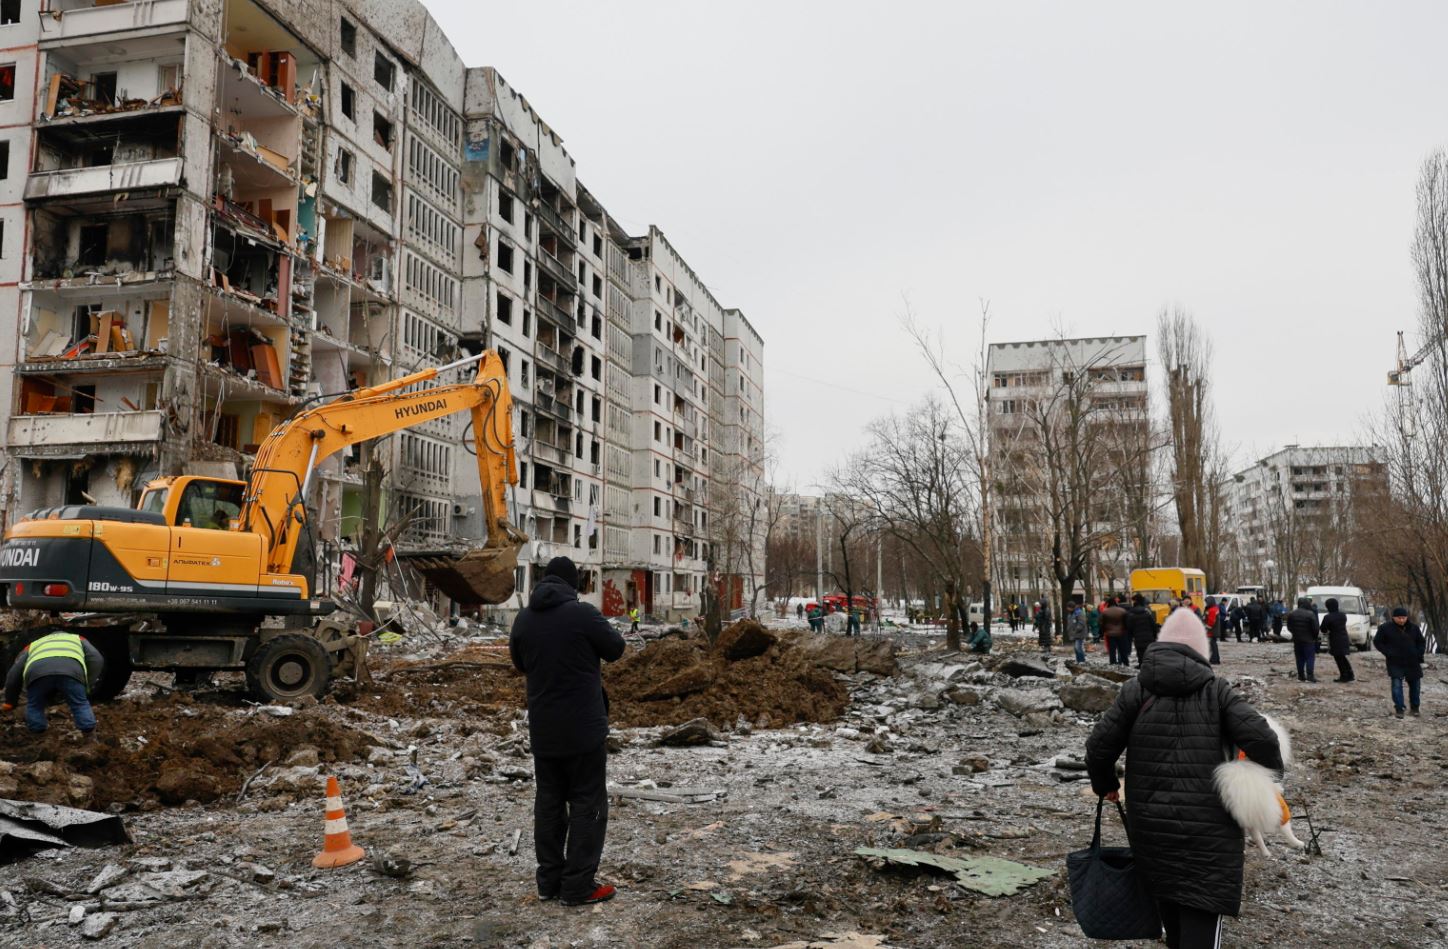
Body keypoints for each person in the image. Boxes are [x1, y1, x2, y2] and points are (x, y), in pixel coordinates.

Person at [1086, 609, 1284, 949]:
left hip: (1151, 827)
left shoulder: (1136, 690)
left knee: (1170, 912)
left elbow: (1099, 747)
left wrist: (1105, 785)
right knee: (1201, 923)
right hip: (1208, 834)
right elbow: (1263, 739)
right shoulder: (1217, 691)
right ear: (1199, 650)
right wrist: (1272, 775)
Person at [509, 556, 626, 906]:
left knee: (548, 804)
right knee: (588, 803)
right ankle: (577, 885)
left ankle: (548, 882)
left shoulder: (524, 620)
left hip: (544, 733)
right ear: (573, 585)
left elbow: (519, 663)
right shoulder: (583, 614)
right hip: (583, 731)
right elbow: (616, 649)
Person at [3, 630, 104, 737]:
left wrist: (10, 701)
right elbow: (96, 659)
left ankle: (38, 734)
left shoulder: (33, 644)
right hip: (71, 671)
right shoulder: (78, 638)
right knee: (79, 703)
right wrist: (86, 684)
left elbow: (14, 673)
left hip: (37, 674)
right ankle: (88, 733)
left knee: (35, 705)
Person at [1374, 607, 1427, 719]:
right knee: (1396, 685)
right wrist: (1388, 652)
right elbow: (1377, 642)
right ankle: (1399, 708)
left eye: (1404, 618)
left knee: (1415, 685)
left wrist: (1418, 653)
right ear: (1393, 617)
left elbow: (1421, 642)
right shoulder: (1385, 628)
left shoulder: (1414, 628)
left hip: (1412, 661)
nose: (1402, 620)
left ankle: (1415, 708)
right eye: (1399, 618)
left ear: (1407, 617)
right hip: (1395, 661)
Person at [1317, 598, 1354, 683]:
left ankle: (1344, 675)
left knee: (1339, 658)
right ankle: (1349, 674)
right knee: (1342, 657)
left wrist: (1327, 629)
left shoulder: (1328, 617)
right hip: (1344, 637)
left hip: (1335, 639)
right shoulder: (1342, 615)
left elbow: (1323, 629)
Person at [1285, 596, 1319, 683]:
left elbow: (1289, 627)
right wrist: (1314, 637)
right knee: (1309, 658)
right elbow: (1315, 628)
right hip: (1309, 640)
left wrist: (1295, 633)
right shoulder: (1310, 614)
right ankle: (1310, 676)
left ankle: (1301, 675)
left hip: (1297, 640)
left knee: (1299, 658)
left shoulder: (1292, 614)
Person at [1125, 594, 1159, 666]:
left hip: (1138, 637)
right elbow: (1153, 625)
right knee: (1149, 651)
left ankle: (1141, 664)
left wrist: (1130, 636)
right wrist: (1155, 635)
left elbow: (1129, 627)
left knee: (1140, 651)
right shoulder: (1147, 612)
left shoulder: (1131, 614)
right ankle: (1151, 664)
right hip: (1149, 636)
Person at [1101, 595, 1130, 666]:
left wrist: (1104, 631)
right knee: (1122, 649)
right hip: (1121, 633)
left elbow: (1102, 623)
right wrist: (1125, 631)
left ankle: (1112, 662)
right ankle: (1125, 662)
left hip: (1110, 634)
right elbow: (1126, 623)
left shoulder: (1105, 612)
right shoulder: (1122, 611)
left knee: (1112, 650)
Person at [1203, 596, 1222, 665]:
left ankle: (1215, 659)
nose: (1206, 603)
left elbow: (1211, 621)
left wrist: (1206, 628)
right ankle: (1215, 658)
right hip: (1214, 630)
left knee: (1213, 645)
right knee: (1213, 645)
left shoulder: (1212, 610)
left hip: (1212, 631)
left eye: (1206, 602)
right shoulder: (1214, 608)